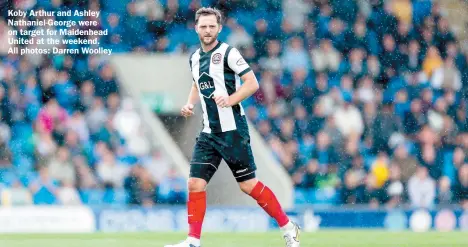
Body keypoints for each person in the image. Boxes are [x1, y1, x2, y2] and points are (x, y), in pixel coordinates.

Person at [165, 7, 300, 247]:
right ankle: (193, 241)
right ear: (196, 28)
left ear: (218, 28)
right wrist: (188, 104)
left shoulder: (228, 53)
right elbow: (198, 84)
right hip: (209, 133)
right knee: (195, 182)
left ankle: (288, 226)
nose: (207, 30)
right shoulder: (194, 57)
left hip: (233, 132)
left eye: (211, 26)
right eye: (203, 26)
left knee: (248, 185)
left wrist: (231, 99)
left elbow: (252, 83)